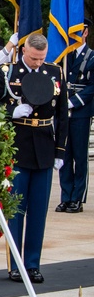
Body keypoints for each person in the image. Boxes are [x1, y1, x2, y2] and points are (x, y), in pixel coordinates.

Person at [0, 33, 67, 283]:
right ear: (23, 51)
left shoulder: (55, 73)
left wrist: (60, 151)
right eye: (33, 58)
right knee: (15, 210)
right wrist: (10, 111)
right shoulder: (7, 72)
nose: (38, 63)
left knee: (39, 212)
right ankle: (15, 264)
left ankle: (32, 264)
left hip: (44, 148)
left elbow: (62, 115)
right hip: (16, 148)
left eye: (41, 58)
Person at [57, 20, 94, 214]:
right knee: (64, 154)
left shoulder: (92, 57)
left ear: (86, 33)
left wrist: (74, 101)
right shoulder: (64, 56)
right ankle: (65, 196)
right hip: (63, 111)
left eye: (79, 32)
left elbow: (92, 87)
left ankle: (77, 198)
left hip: (80, 111)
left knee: (79, 156)